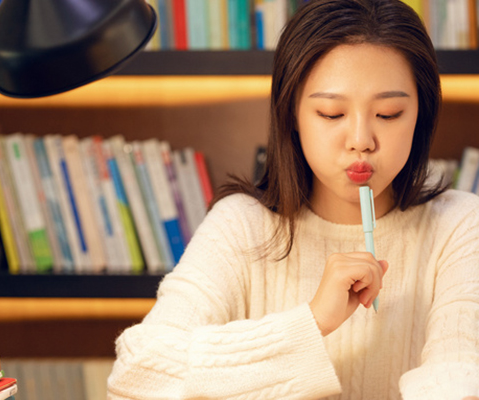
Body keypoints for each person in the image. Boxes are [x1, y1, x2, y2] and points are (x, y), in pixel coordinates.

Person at [107, 0, 479, 398]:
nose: (361, 141)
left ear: (421, 114)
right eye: (331, 114)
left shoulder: (460, 225)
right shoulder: (241, 225)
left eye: (388, 114)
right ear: (293, 117)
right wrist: (311, 321)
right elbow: (136, 376)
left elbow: (460, 377)